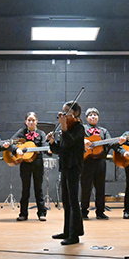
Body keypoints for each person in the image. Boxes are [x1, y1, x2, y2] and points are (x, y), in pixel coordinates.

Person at [47, 101, 85, 245]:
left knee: (73, 201)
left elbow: (70, 142)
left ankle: (75, 235)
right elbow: (60, 149)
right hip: (65, 167)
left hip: (74, 167)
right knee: (66, 201)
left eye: (66, 111)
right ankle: (67, 231)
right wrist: (52, 142)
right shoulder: (67, 128)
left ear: (75, 113)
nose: (62, 114)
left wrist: (63, 127)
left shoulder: (78, 128)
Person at [10, 112, 49, 222]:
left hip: (37, 163)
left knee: (38, 189)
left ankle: (42, 213)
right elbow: (11, 142)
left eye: (33, 120)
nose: (31, 122)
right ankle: (23, 213)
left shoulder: (41, 133)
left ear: (37, 121)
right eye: (29, 120)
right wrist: (16, 149)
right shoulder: (21, 133)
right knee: (25, 189)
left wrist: (47, 149)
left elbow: (45, 146)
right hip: (25, 164)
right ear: (25, 122)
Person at [80, 107, 112, 220]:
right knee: (86, 187)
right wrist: (83, 141)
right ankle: (83, 211)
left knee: (100, 187)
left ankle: (100, 211)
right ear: (86, 117)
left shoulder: (103, 131)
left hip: (100, 162)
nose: (93, 117)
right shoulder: (82, 129)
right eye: (90, 115)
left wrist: (119, 142)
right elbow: (76, 140)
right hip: (86, 162)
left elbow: (109, 143)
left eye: (95, 115)